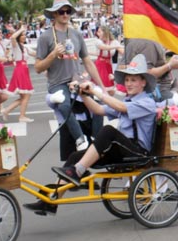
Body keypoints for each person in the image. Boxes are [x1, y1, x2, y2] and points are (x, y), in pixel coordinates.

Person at [49, 55, 158, 189]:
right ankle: (50, 199)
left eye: (133, 80)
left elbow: (121, 107)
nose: (128, 84)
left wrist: (97, 92)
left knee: (108, 131)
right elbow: (99, 109)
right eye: (127, 80)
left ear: (143, 83)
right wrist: (84, 94)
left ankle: (78, 170)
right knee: (74, 156)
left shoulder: (147, 103)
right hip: (122, 148)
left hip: (138, 151)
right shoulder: (127, 100)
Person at [35, 0, 106, 152]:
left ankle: (96, 140)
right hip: (58, 83)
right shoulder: (46, 37)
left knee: (100, 101)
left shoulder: (76, 34)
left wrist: (101, 86)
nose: (65, 15)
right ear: (54, 14)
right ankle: (79, 138)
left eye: (68, 11)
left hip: (77, 80)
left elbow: (87, 61)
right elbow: (38, 68)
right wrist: (53, 55)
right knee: (63, 104)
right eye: (61, 12)